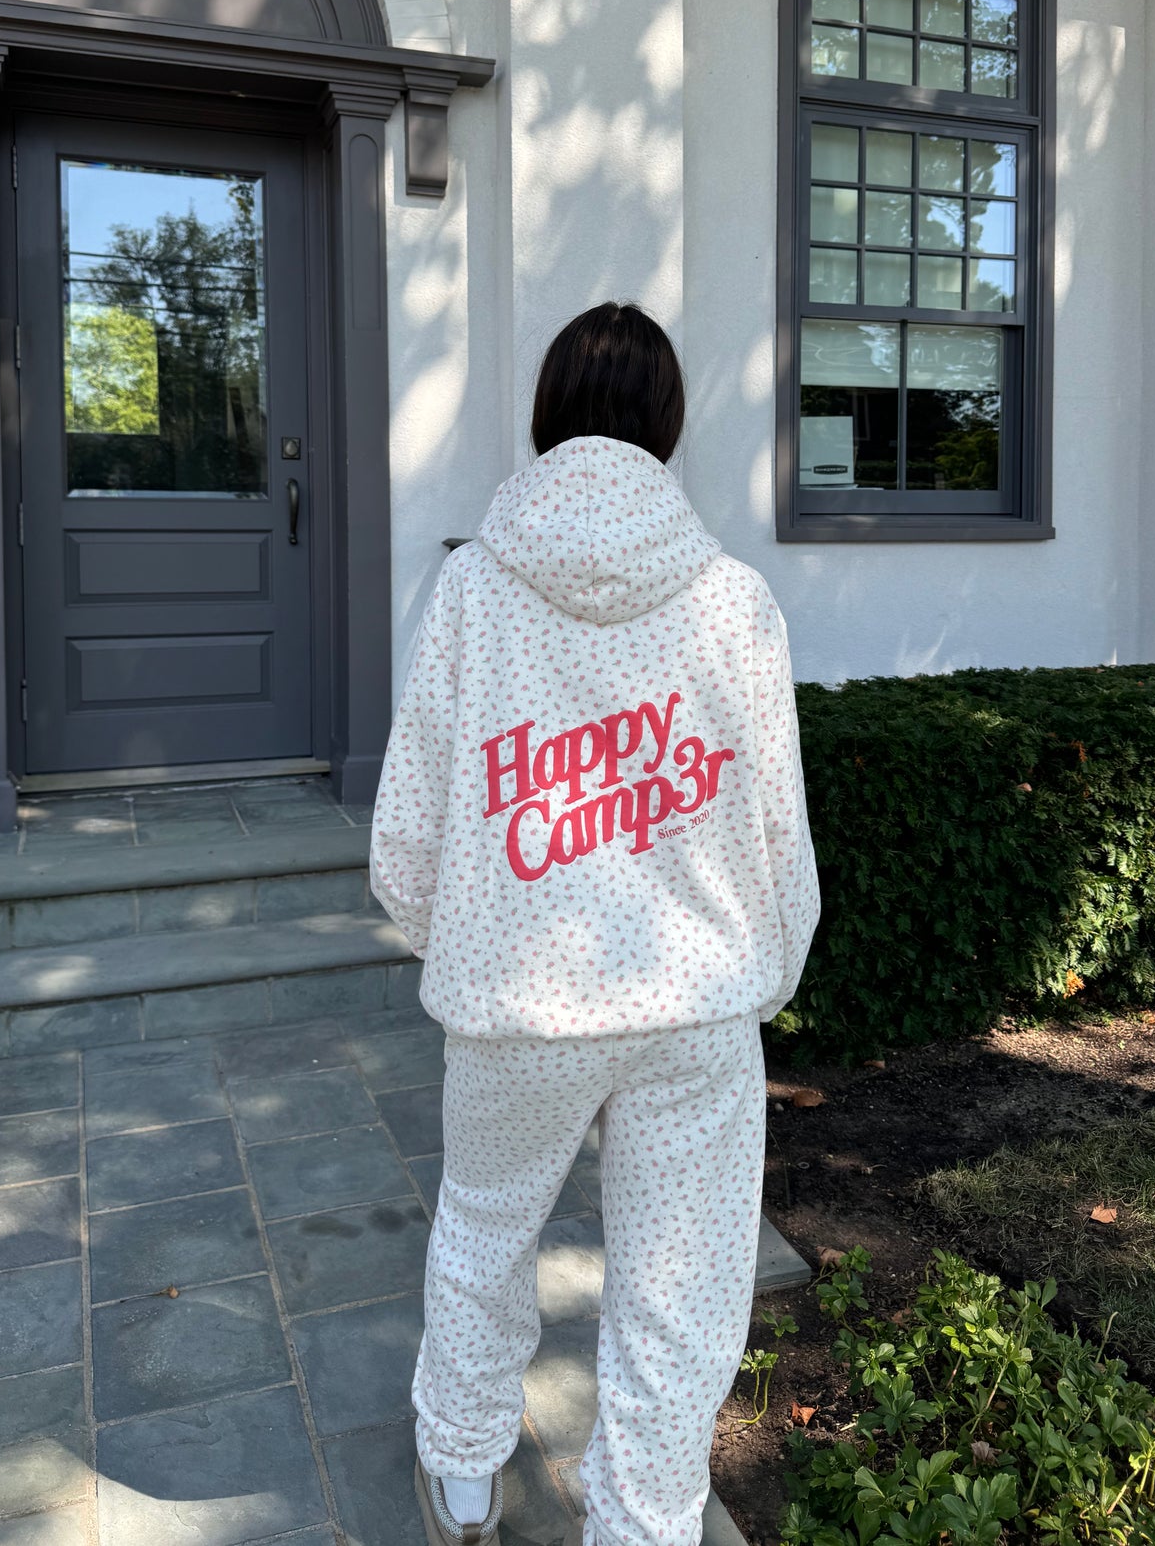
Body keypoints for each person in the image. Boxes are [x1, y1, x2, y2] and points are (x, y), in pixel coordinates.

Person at [369, 302, 822, 1546]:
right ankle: (644, 1521)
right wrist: (762, 974)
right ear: (666, 424)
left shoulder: (472, 587)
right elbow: (775, 832)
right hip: (695, 1002)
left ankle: (463, 1475)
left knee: (483, 1222)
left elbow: (411, 817)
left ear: (546, 414)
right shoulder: (732, 601)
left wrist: (444, 939)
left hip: (519, 1000)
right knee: (682, 1286)